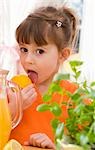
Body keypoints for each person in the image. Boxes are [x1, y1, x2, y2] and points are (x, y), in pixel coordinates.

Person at [10, 5, 78, 149]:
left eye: (39, 51)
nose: (28, 59)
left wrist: (57, 146)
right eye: (24, 49)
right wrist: (13, 110)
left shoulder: (74, 97)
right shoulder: (11, 89)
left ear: (63, 55)